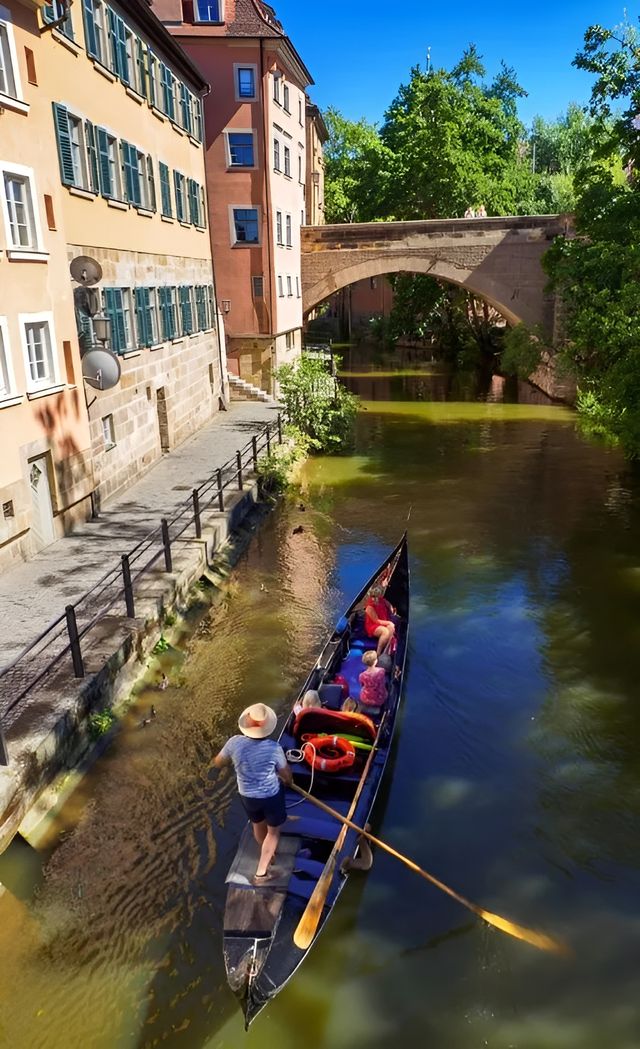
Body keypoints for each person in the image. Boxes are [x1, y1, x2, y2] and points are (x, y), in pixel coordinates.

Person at [213, 703, 292, 882]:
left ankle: (268, 855)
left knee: (257, 824)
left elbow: (218, 762)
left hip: (247, 796)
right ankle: (261, 872)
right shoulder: (274, 748)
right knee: (273, 833)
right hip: (270, 796)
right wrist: (288, 782)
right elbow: (286, 774)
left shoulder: (234, 742)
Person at [364, 586, 396, 656]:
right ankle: (378, 653)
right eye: (374, 597)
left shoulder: (381, 599)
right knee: (385, 631)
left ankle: (387, 649)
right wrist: (389, 622)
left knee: (391, 628)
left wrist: (391, 609)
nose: (375, 599)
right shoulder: (370, 607)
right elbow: (377, 621)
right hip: (372, 625)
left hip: (382, 621)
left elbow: (388, 604)